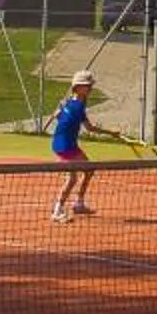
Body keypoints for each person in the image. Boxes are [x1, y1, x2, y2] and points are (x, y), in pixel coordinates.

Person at [47, 71, 109, 223]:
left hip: (67, 144)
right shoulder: (76, 107)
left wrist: (58, 113)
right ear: (78, 88)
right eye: (87, 86)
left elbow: (59, 116)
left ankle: (78, 204)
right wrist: (110, 133)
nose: (90, 88)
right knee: (72, 178)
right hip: (65, 146)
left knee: (89, 170)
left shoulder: (70, 104)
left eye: (90, 85)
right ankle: (57, 210)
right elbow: (90, 128)